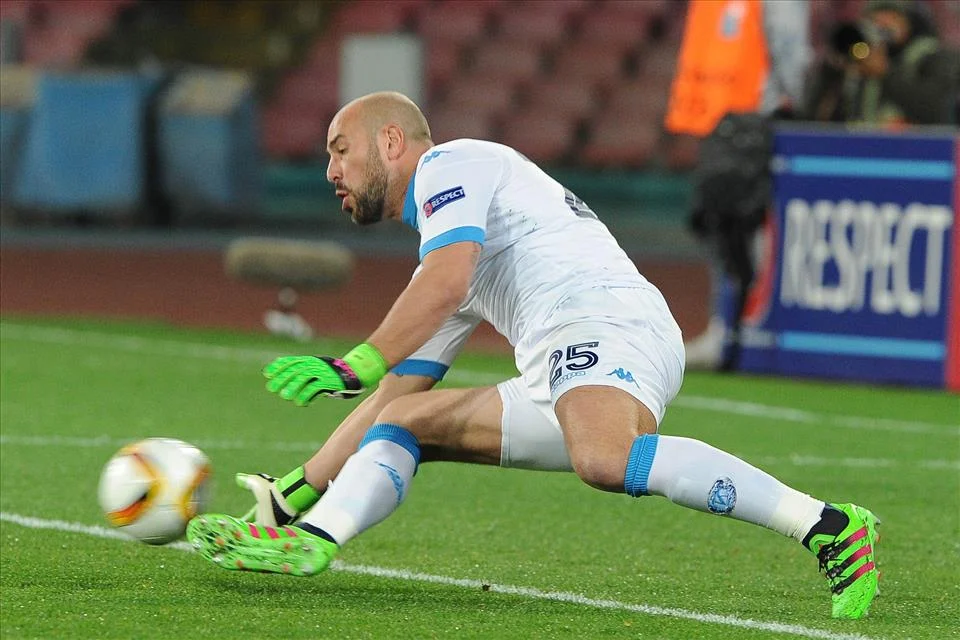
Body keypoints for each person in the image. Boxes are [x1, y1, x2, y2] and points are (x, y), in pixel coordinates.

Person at [187, 92, 880, 620]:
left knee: (605, 458)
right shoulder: (448, 251)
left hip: (606, 322)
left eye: (341, 150)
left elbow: (443, 285)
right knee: (404, 423)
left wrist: (354, 362)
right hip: (560, 364)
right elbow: (393, 393)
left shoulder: (452, 165)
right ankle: (312, 538)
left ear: (391, 141)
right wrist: (294, 491)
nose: (330, 170)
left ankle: (829, 525)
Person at [664, 0, 812, 370]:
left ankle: (735, 329)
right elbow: (786, 45)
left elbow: (784, 45)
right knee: (729, 227)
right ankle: (726, 327)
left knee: (739, 228)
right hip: (738, 121)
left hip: (740, 121)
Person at [805, 0, 958, 126]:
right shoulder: (858, 57)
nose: (881, 27)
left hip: (914, 149)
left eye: (891, 19)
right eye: (873, 21)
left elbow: (940, 110)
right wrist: (831, 72)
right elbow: (812, 117)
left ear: (906, 22)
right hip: (856, 147)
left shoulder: (932, 56)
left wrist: (886, 73)